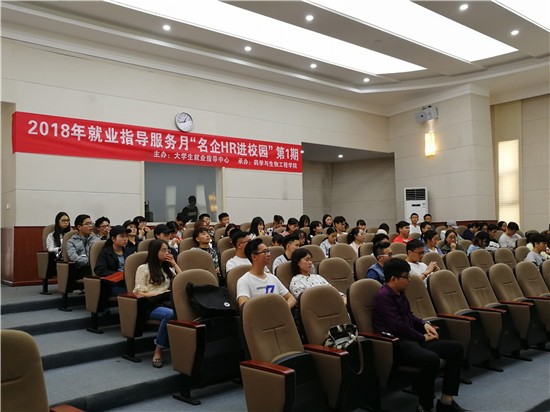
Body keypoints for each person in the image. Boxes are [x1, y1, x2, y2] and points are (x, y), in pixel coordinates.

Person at [373, 258, 468, 412]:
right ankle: (425, 406)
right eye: (406, 277)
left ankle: (446, 402)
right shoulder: (383, 296)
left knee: (456, 349)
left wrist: (424, 324)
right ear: (393, 278)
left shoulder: (399, 292)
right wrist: (422, 337)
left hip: (413, 339)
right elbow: (397, 326)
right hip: (398, 344)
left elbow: (409, 316)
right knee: (431, 359)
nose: (409, 280)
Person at [133, 239, 181, 368]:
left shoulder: (166, 268)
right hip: (150, 304)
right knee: (170, 314)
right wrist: (160, 294)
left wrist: (174, 264)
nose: (167, 253)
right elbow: (139, 292)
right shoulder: (143, 268)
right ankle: (158, 351)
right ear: (155, 252)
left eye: (168, 250)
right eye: (163, 250)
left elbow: (182, 281)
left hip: (167, 301)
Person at [236, 238, 296, 309]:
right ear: (254, 256)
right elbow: (244, 307)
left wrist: (283, 310)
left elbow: (291, 298)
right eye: (265, 252)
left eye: (268, 251)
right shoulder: (244, 281)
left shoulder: (272, 278)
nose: (269, 254)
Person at [94, 225, 131, 295]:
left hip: (127, 281)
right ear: (113, 239)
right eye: (122, 236)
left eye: (126, 236)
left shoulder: (128, 251)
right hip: (113, 284)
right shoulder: (106, 252)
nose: (125, 239)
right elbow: (99, 270)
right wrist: (118, 274)